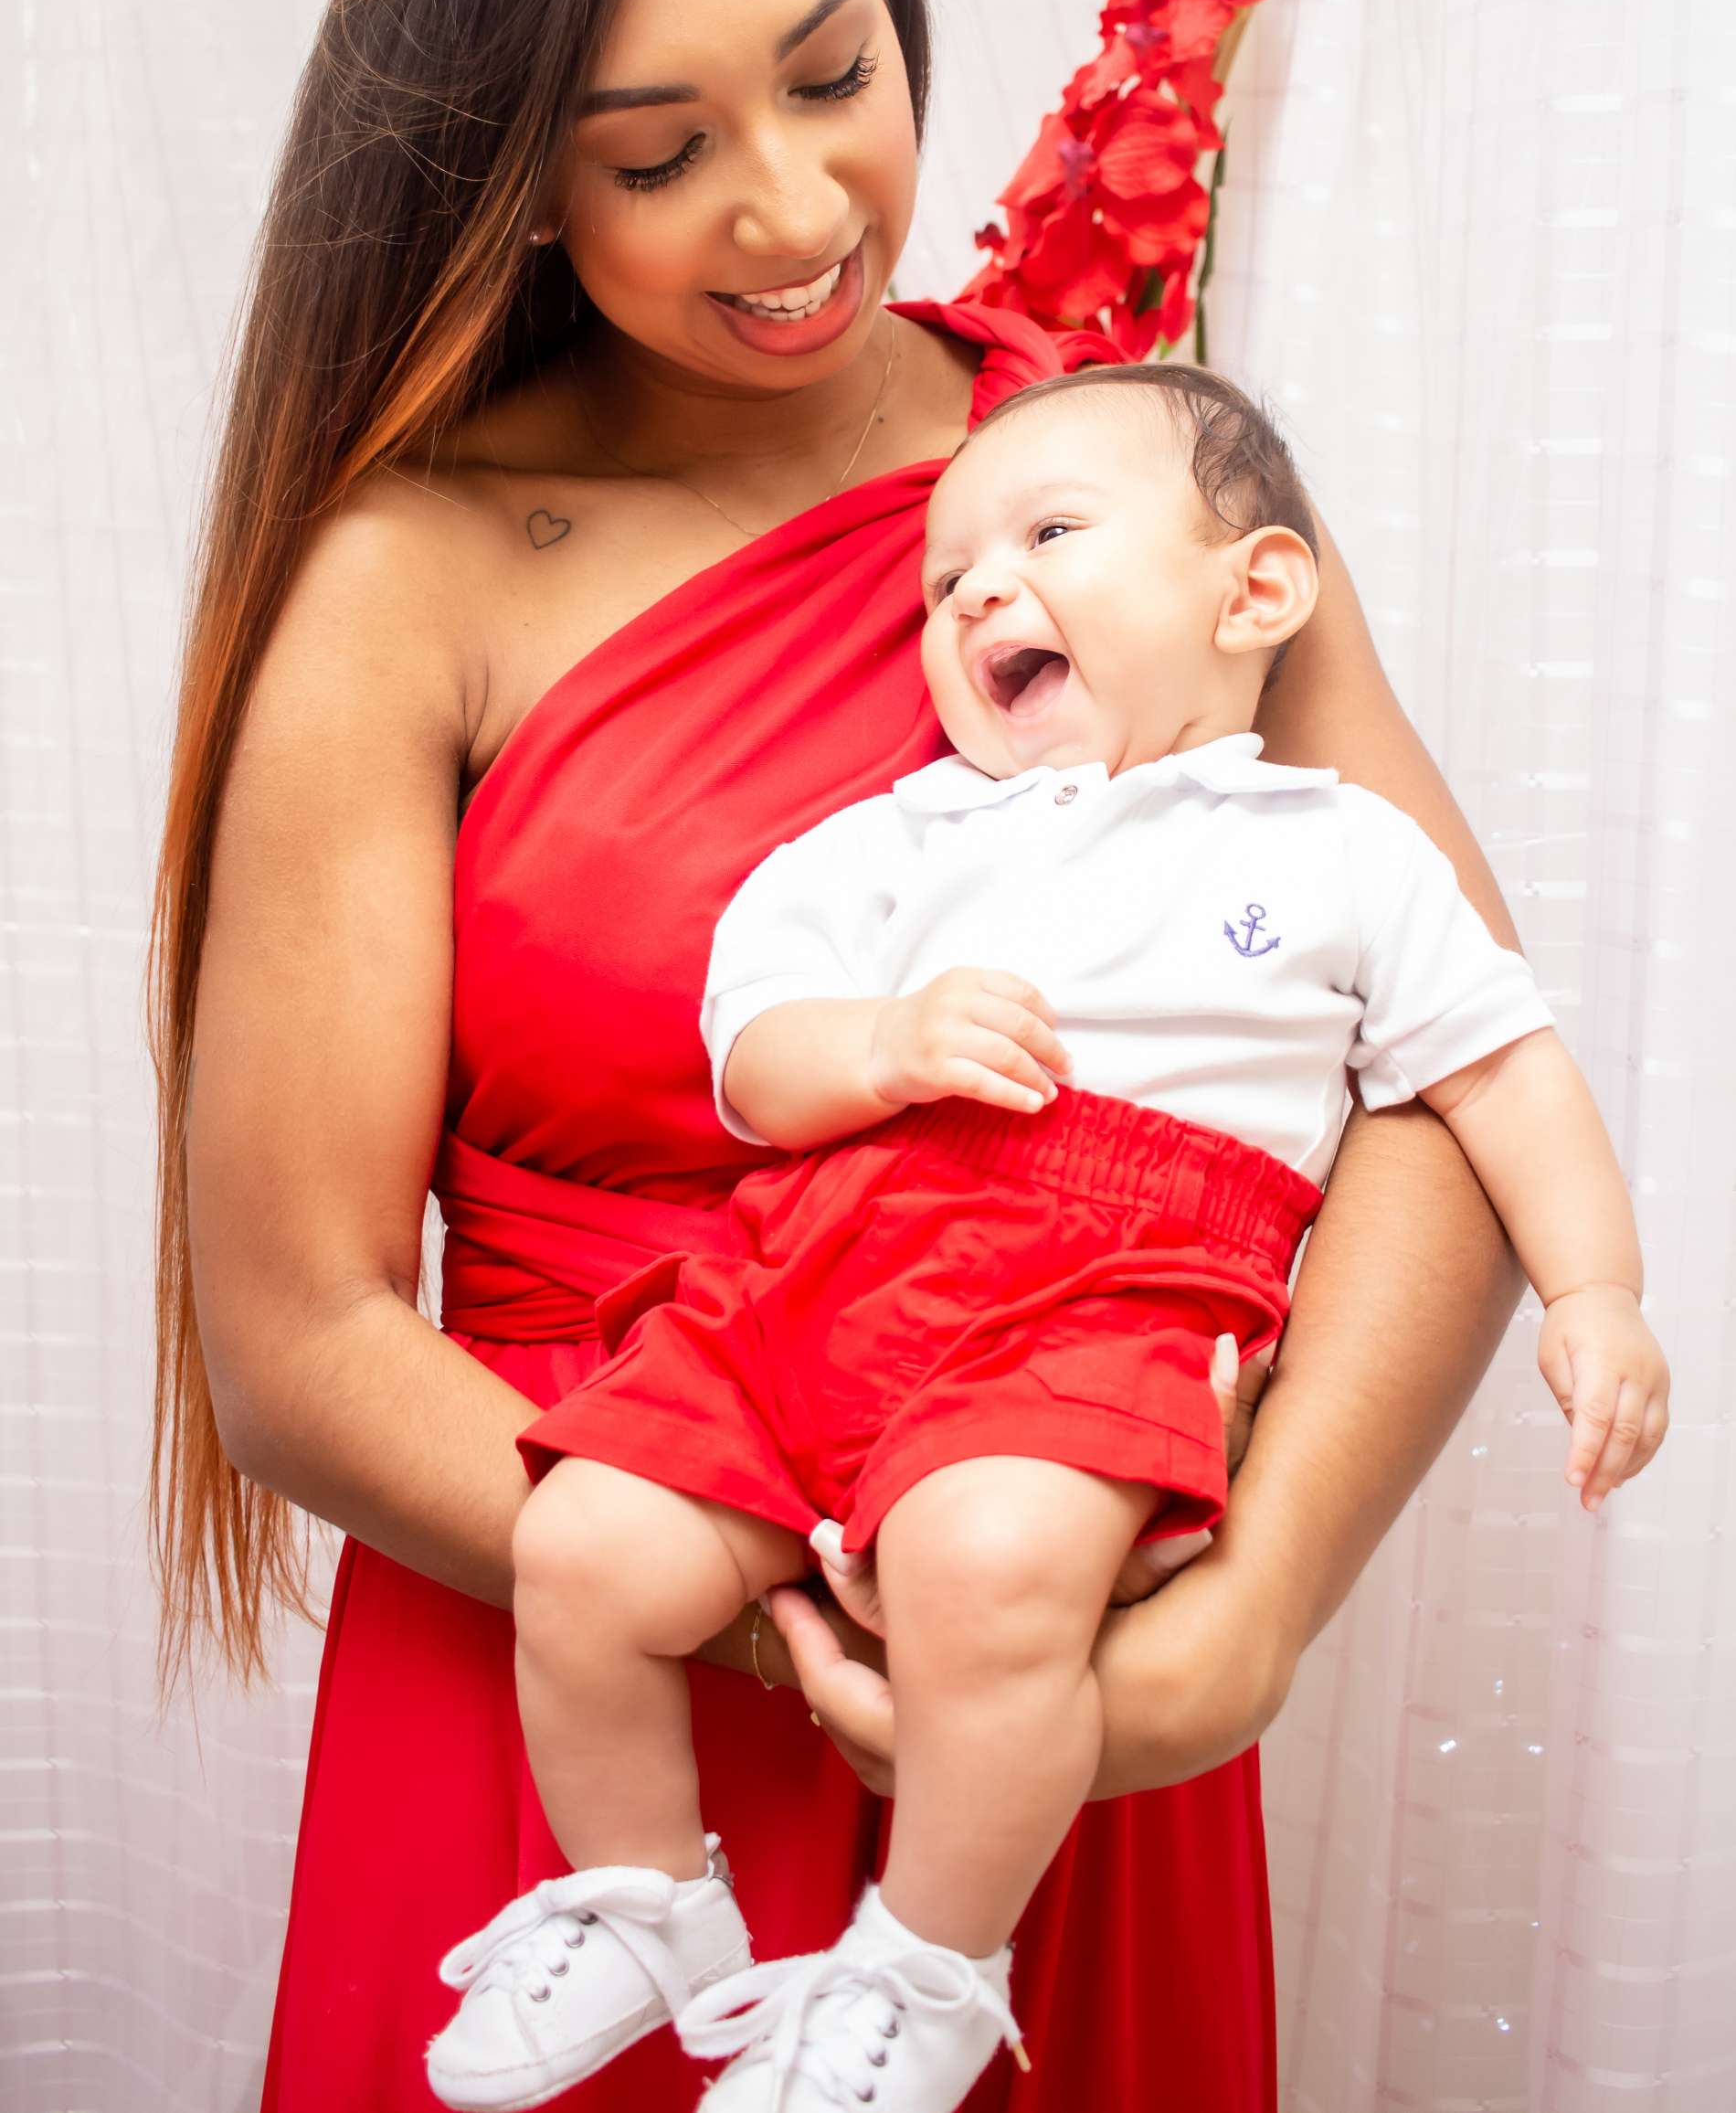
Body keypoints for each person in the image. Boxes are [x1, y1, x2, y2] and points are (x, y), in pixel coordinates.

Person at [153, 0, 1571, 2113]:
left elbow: (1452, 1059)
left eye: (834, 74)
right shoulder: (410, 576)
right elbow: (294, 1331)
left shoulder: (1124, 479)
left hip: (1048, 1681)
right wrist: (751, 1600)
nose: (797, 209)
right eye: (659, 150)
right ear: (513, 173)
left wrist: (1232, 1629)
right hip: (579, 1665)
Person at [422, 366, 1668, 2112]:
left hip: (1112, 1282)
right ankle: (646, 1899)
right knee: (583, 1545)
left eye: (1050, 535)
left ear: (1256, 591)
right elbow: (753, 1048)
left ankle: (926, 1964)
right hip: (827, 1262)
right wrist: (881, 1044)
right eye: (946, 579)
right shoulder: (895, 836)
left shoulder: (1343, 849)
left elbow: (1500, 1070)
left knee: (987, 1557)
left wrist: (1595, 1287)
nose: (976, 591)